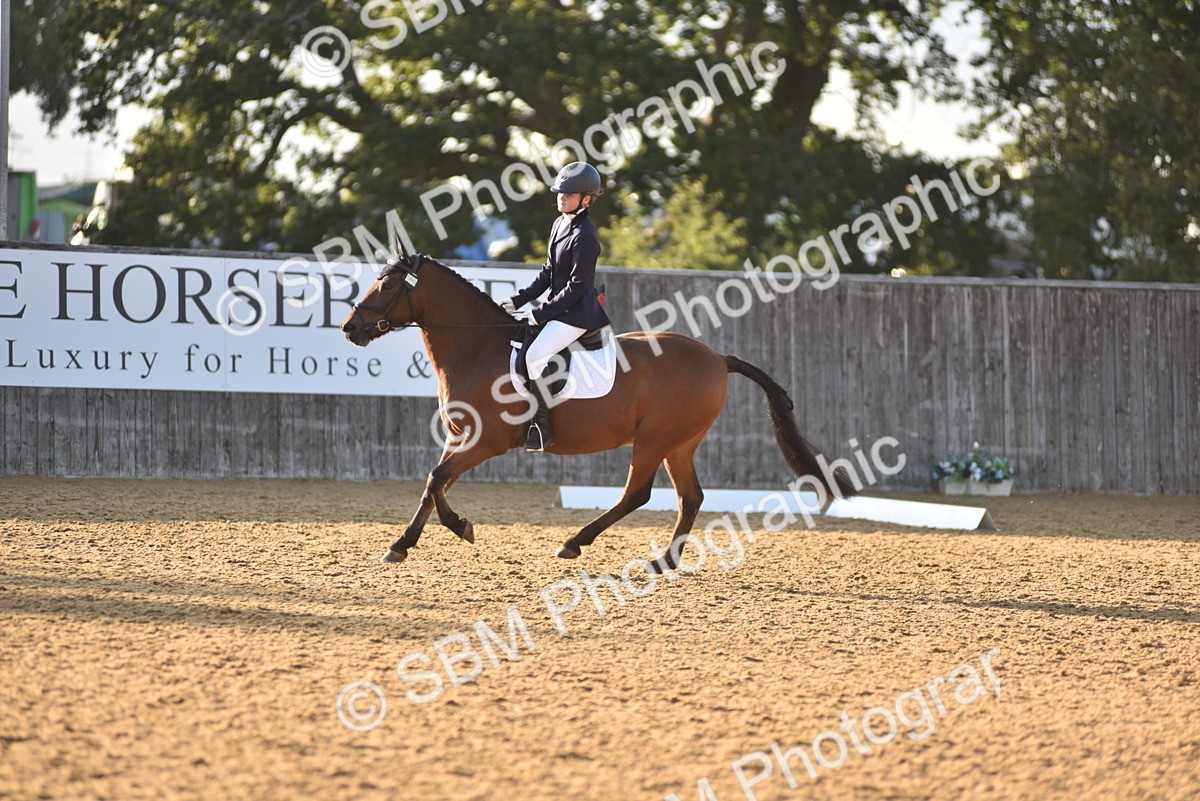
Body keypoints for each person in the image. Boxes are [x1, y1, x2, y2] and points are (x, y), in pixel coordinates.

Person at [502, 161, 611, 452]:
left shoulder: (585, 235)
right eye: (560, 192)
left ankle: (542, 427)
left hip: (578, 314)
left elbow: (576, 287)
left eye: (569, 193)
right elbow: (548, 273)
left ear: (586, 199)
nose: (561, 197)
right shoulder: (559, 222)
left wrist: (539, 313)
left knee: (535, 356)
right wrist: (518, 300)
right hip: (560, 308)